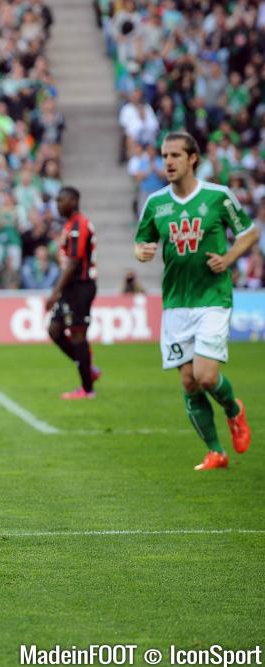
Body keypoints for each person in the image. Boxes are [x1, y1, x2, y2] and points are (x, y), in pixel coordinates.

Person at [135, 131, 257, 471]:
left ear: (192, 159)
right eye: (164, 156)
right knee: (188, 381)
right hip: (175, 301)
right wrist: (142, 252)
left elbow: (249, 232)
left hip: (212, 297)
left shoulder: (218, 197)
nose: (168, 162)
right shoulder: (156, 202)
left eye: (175, 155)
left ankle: (233, 409)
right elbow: (141, 241)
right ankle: (215, 451)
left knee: (205, 375)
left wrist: (229, 258)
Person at [45, 187, 100, 399]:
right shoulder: (69, 225)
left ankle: (87, 389)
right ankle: (88, 368)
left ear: (74, 201)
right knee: (55, 330)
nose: (58, 204)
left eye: (62, 200)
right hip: (71, 287)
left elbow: (74, 263)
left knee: (78, 335)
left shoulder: (79, 224)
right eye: (57, 200)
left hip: (80, 285)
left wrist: (55, 292)